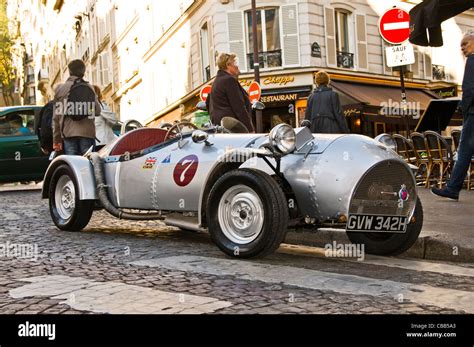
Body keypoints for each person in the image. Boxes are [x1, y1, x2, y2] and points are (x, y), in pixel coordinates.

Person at [432, 33, 474, 201]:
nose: (462, 48)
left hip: (473, 113)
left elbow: (469, 90)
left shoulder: (472, 61)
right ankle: (452, 187)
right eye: (461, 45)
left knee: (464, 151)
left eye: (465, 43)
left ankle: (452, 188)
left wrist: (464, 109)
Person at [53, 59, 100, 155]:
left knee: (73, 165)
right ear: (83, 71)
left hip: (68, 133)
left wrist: (56, 140)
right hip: (87, 133)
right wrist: (87, 110)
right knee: (88, 163)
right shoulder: (89, 87)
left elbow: (56, 118)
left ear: (69, 71)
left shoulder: (60, 89)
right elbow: (97, 111)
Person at [206, 53, 255, 133]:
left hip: (222, 129)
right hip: (234, 129)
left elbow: (208, 104)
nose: (237, 66)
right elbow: (239, 107)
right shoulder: (229, 80)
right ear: (228, 65)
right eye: (235, 63)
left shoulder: (217, 81)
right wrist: (250, 130)